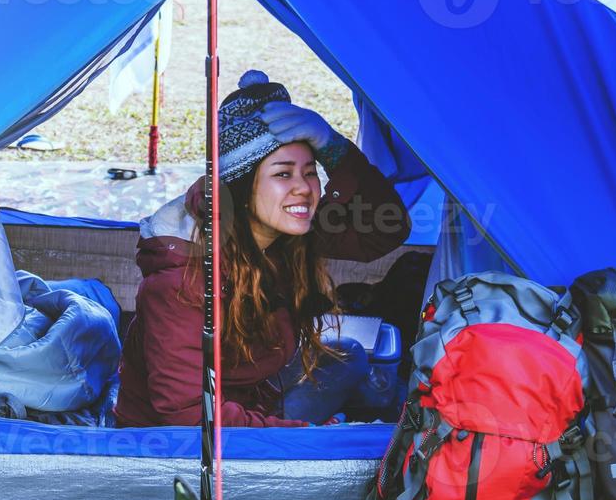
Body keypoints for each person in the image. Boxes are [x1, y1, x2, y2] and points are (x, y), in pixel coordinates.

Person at [115, 77, 409, 428]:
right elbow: (190, 416)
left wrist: (334, 147)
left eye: (310, 171)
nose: (304, 188)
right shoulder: (182, 281)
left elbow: (384, 230)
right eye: (283, 174)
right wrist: (307, 435)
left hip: (257, 392)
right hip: (190, 442)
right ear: (240, 188)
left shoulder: (282, 229)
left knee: (349, 357)